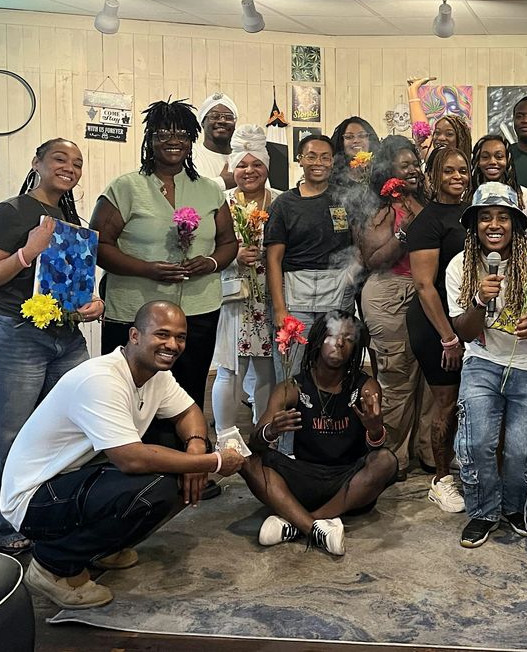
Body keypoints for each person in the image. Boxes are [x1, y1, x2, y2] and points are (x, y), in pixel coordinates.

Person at [0, 301, 245, 609]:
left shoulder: (155, 374)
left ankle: (102, 547)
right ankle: (53, 565)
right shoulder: (101, 379)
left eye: (180, 337)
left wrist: (196, 447)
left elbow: (188, 412)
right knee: (157, 488)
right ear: (134, 336)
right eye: (162, 334)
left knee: (176, 465)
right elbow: (131, 458)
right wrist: (213, 461)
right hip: (33, 500)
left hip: (72, 479)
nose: (172, 345)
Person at [0, 138, 104, 555]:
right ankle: (2, 525)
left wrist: (91, 303)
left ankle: (49, 513)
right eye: (59, 159)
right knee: (5, 436)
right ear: (36, 163)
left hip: (64, 336)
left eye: (77, 163)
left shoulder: (70, 219)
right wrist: (27, 253)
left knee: (70, 427)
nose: (69, 168)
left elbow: (67, 281)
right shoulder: (10, 212)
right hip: (12, 333)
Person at [91, 100, 238, 438]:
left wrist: (211, 262)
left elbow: (229, 242)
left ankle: (188, 456)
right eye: (163, 134)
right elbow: (98, 246)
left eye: (182, 134)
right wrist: (146, 269)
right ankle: (130, 459)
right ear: (150, 139)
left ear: (191, 140)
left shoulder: (209, 190)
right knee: (129, 392)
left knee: (188, 387)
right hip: (135, 309)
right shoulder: (125, 187)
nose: (174, 141)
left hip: (197, 310)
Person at [446, 183, 527, 548]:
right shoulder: (460, 266)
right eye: (485, 217)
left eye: (503, 217)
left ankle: (517, 509)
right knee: (475, 441)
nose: (494, 224)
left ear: (516, 223)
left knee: (522, 449)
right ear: (474, 224)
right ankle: (483, 512)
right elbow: (464, 331)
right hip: (483, 361)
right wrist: (479, 301)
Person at [242, 312, 397, 556]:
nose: (339, 343)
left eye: (348, 338)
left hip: (347, 483)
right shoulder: (292, 387)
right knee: (246, 459)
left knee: (386, 461)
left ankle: (300, 522)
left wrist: (375, 429)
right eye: (332, 335)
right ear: (317, 341)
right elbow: (254, 444)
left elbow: (376, 450)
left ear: (355, 348)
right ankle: (315, 528)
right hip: (303, 478)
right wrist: (271, 431)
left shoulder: (365, 386)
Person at [406, 147, 471, 513]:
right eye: (448, 171)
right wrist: (448, 338)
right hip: (436, 324)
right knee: (445, 402)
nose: (457, 177)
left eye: (462, 170)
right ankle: (441, 480)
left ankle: (455, 459)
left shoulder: (471, 212)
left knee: (463, 399)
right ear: (433, 176)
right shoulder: (427, 222)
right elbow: (424, 286)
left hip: (464, 320)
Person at [265, 133, 358, 387]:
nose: (319, 163)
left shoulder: (344, 199)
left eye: (325, 157)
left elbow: (359, 244)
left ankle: (329, 413)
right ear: (300, 159)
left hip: (337, 295)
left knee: (333, 365)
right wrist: (279, 309)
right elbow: (273, 259)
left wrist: (351, 275)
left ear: (333, 161)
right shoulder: (284, 204)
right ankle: (289, 415)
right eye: (312, 156)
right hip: (295, 297)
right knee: (291, 370)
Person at [360, 135, 428, 480]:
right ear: (388, 170)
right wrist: (405, 232)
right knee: (397, 380)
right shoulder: (381, 208)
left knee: (427, 381)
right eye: (405, 165)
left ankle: (425, 452)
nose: (413, 170)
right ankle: (391, 458)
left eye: (415, 163)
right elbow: (372, 259)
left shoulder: (424, 200)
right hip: (390, 294)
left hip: (426, 293)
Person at [210, 125, 279, 436]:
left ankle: (263, 434)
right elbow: (203, 246)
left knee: (267, 369)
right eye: (242, 165)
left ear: (267, 166)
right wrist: (233, 255)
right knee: (229, 369)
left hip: (270, 295)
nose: (249, 171)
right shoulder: (219, 202)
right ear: (232, 168)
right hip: (233, 295)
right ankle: (225, 437)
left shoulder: (280, 201)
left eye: (256, 164)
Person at [470, 133, 527, 241]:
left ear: (508, 160)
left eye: (499, 157)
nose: (492, 162)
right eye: (485, 157)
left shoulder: (526, 197)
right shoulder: (468, 196)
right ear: (477, 161)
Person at [191, 92, 238, 190]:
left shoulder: (244, 157)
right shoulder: (190, 155)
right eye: (214, 116)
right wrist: (222, 183)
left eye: (229, 117)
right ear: (202, 122)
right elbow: (183, 191)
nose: (222, 121)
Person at [329, 116, 381, 181]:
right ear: (341, 142)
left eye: (362, 136)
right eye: (349, 137)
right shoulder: (331, 173)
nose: (356, 140)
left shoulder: (382, 171)